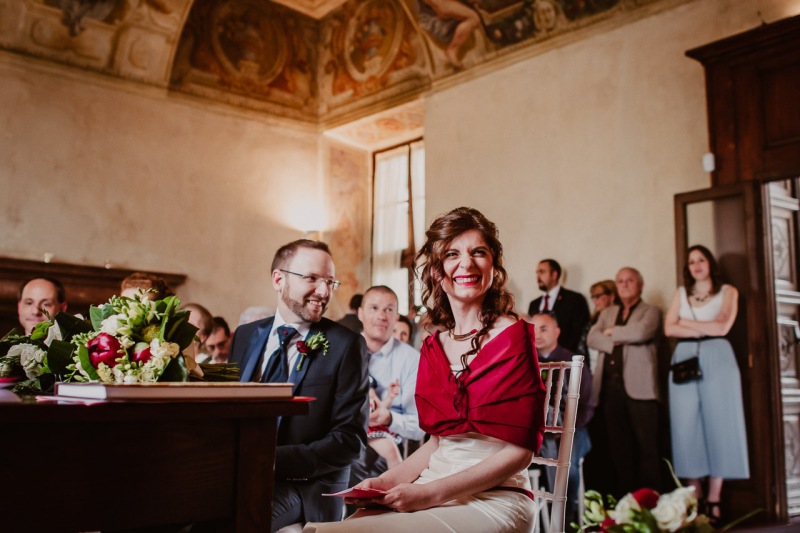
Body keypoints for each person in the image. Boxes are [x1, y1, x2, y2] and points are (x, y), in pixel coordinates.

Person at [304, 207, 546, 533]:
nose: (467, 263)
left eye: (479, 252)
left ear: (493, 266)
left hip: (497, 496)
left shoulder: (514, 335)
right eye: (452, 254)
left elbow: (521, 453)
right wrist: (384, 482)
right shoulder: (433, 346)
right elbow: (435, 444)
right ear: (436, 271)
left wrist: (429, 493)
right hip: (431, 486)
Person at [229, 239, 368, 530]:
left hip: (305, 487)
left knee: (230, 525)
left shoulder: (346, 345)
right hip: (237, 475)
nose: (324, 291)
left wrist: (269, 460)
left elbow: (349, 440)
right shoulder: (245, 335)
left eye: (330, 282)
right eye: (312, 278)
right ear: (279, 280)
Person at [664, 245, 749, 524]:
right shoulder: (681, 293)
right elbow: (668, 328)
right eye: (691, 261)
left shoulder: (729, 292)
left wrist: (685, 322)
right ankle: (694, 497)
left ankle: (715, 498)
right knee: (686, 424)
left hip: (718, 356)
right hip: (685, 358)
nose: (696, 265)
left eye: (701, 259)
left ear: (710, 263)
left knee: (721, 422)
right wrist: (703, 326)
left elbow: (722, 328)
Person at [587, 267, 662, 497]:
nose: (625, 284)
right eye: (620, 281)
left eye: (630, 280)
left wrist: (612, 333)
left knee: (648, 448)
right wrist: (616, 338)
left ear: (640, 285)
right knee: (619, 448)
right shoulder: (608, 312)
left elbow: (641, 332)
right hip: (610, 389)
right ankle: (626, 503)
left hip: (641, 389)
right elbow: (592, 337)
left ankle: (652, 502)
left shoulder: (652, 310)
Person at [350, 285, 425, 489]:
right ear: (360, 313)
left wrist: (389, 418)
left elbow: (419, 427)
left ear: (396, 317)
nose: (381, 316)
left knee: (358, 461)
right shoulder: (344, 350)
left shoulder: (412, 360)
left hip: (386, 441)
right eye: (374, 308)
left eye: (389, 309)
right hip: (345, 436)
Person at [531, 311, 594, 529]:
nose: (537, 333)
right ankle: (535, 520)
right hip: (538, 434)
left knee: (568, 467)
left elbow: (587, 405)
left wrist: (566, 429)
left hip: (574, 431)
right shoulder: (527, 361)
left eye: (543, 328)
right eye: (534, 328)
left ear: (557, 331)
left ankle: (565, 522)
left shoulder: (573, 361)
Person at [527, 259, 590, 353]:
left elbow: (579, 333)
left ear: (554, 275)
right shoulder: (534, 304)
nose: (538, 276)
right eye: (537, 272)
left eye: (542, 272)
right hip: (539, 361)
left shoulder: (574, 299)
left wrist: (560, 355)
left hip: (568, 359)